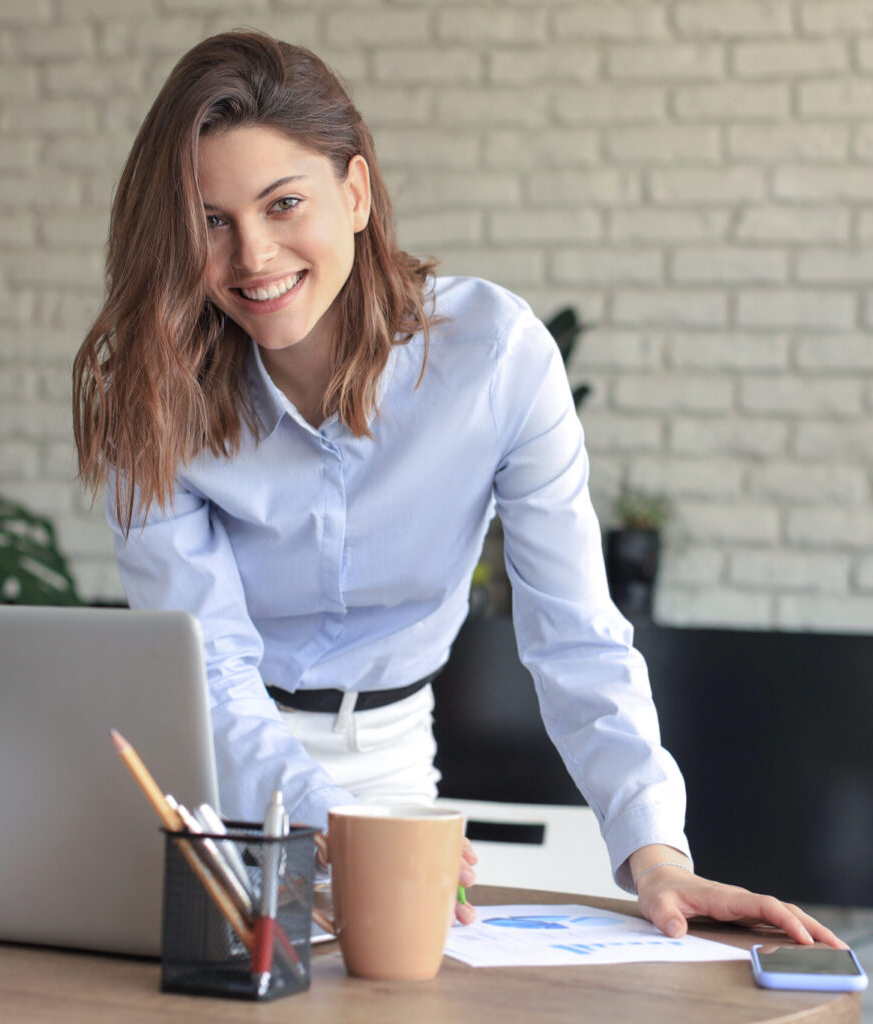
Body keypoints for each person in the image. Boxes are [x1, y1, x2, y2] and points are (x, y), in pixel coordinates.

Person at [73, 29, 843, 946]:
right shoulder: (155, 392)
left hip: (394, 758)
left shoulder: (495, 358)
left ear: (354, 193)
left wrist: (654, 853)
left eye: (285, 204)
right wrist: (321, 820)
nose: (252, 256)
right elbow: (215, 671)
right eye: (211, 220)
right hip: (209, 767)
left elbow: (575, 636)